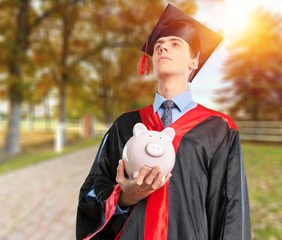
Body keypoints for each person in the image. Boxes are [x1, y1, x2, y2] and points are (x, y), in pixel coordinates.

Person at [76, 4, 251, 240]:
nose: (163, 47)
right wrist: (125, 197)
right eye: (158, 45)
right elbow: (93, 190)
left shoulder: (219, 129)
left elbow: (231, 208)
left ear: (194, 61)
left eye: (175, 44)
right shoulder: (125, 126)